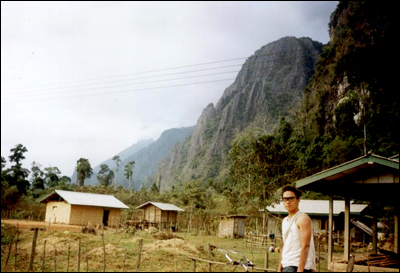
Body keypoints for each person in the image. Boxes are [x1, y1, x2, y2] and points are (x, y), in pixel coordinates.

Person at [278, 186, 316, 272]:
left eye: (291, 198)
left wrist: (300, 269)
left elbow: (305, 245)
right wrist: (279, 268)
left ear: (298, 200)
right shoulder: (285, 221)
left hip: (297, 266)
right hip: (287, 265)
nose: (288, 201)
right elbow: (284, 246)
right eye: (285, 199)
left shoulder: (302, 218)